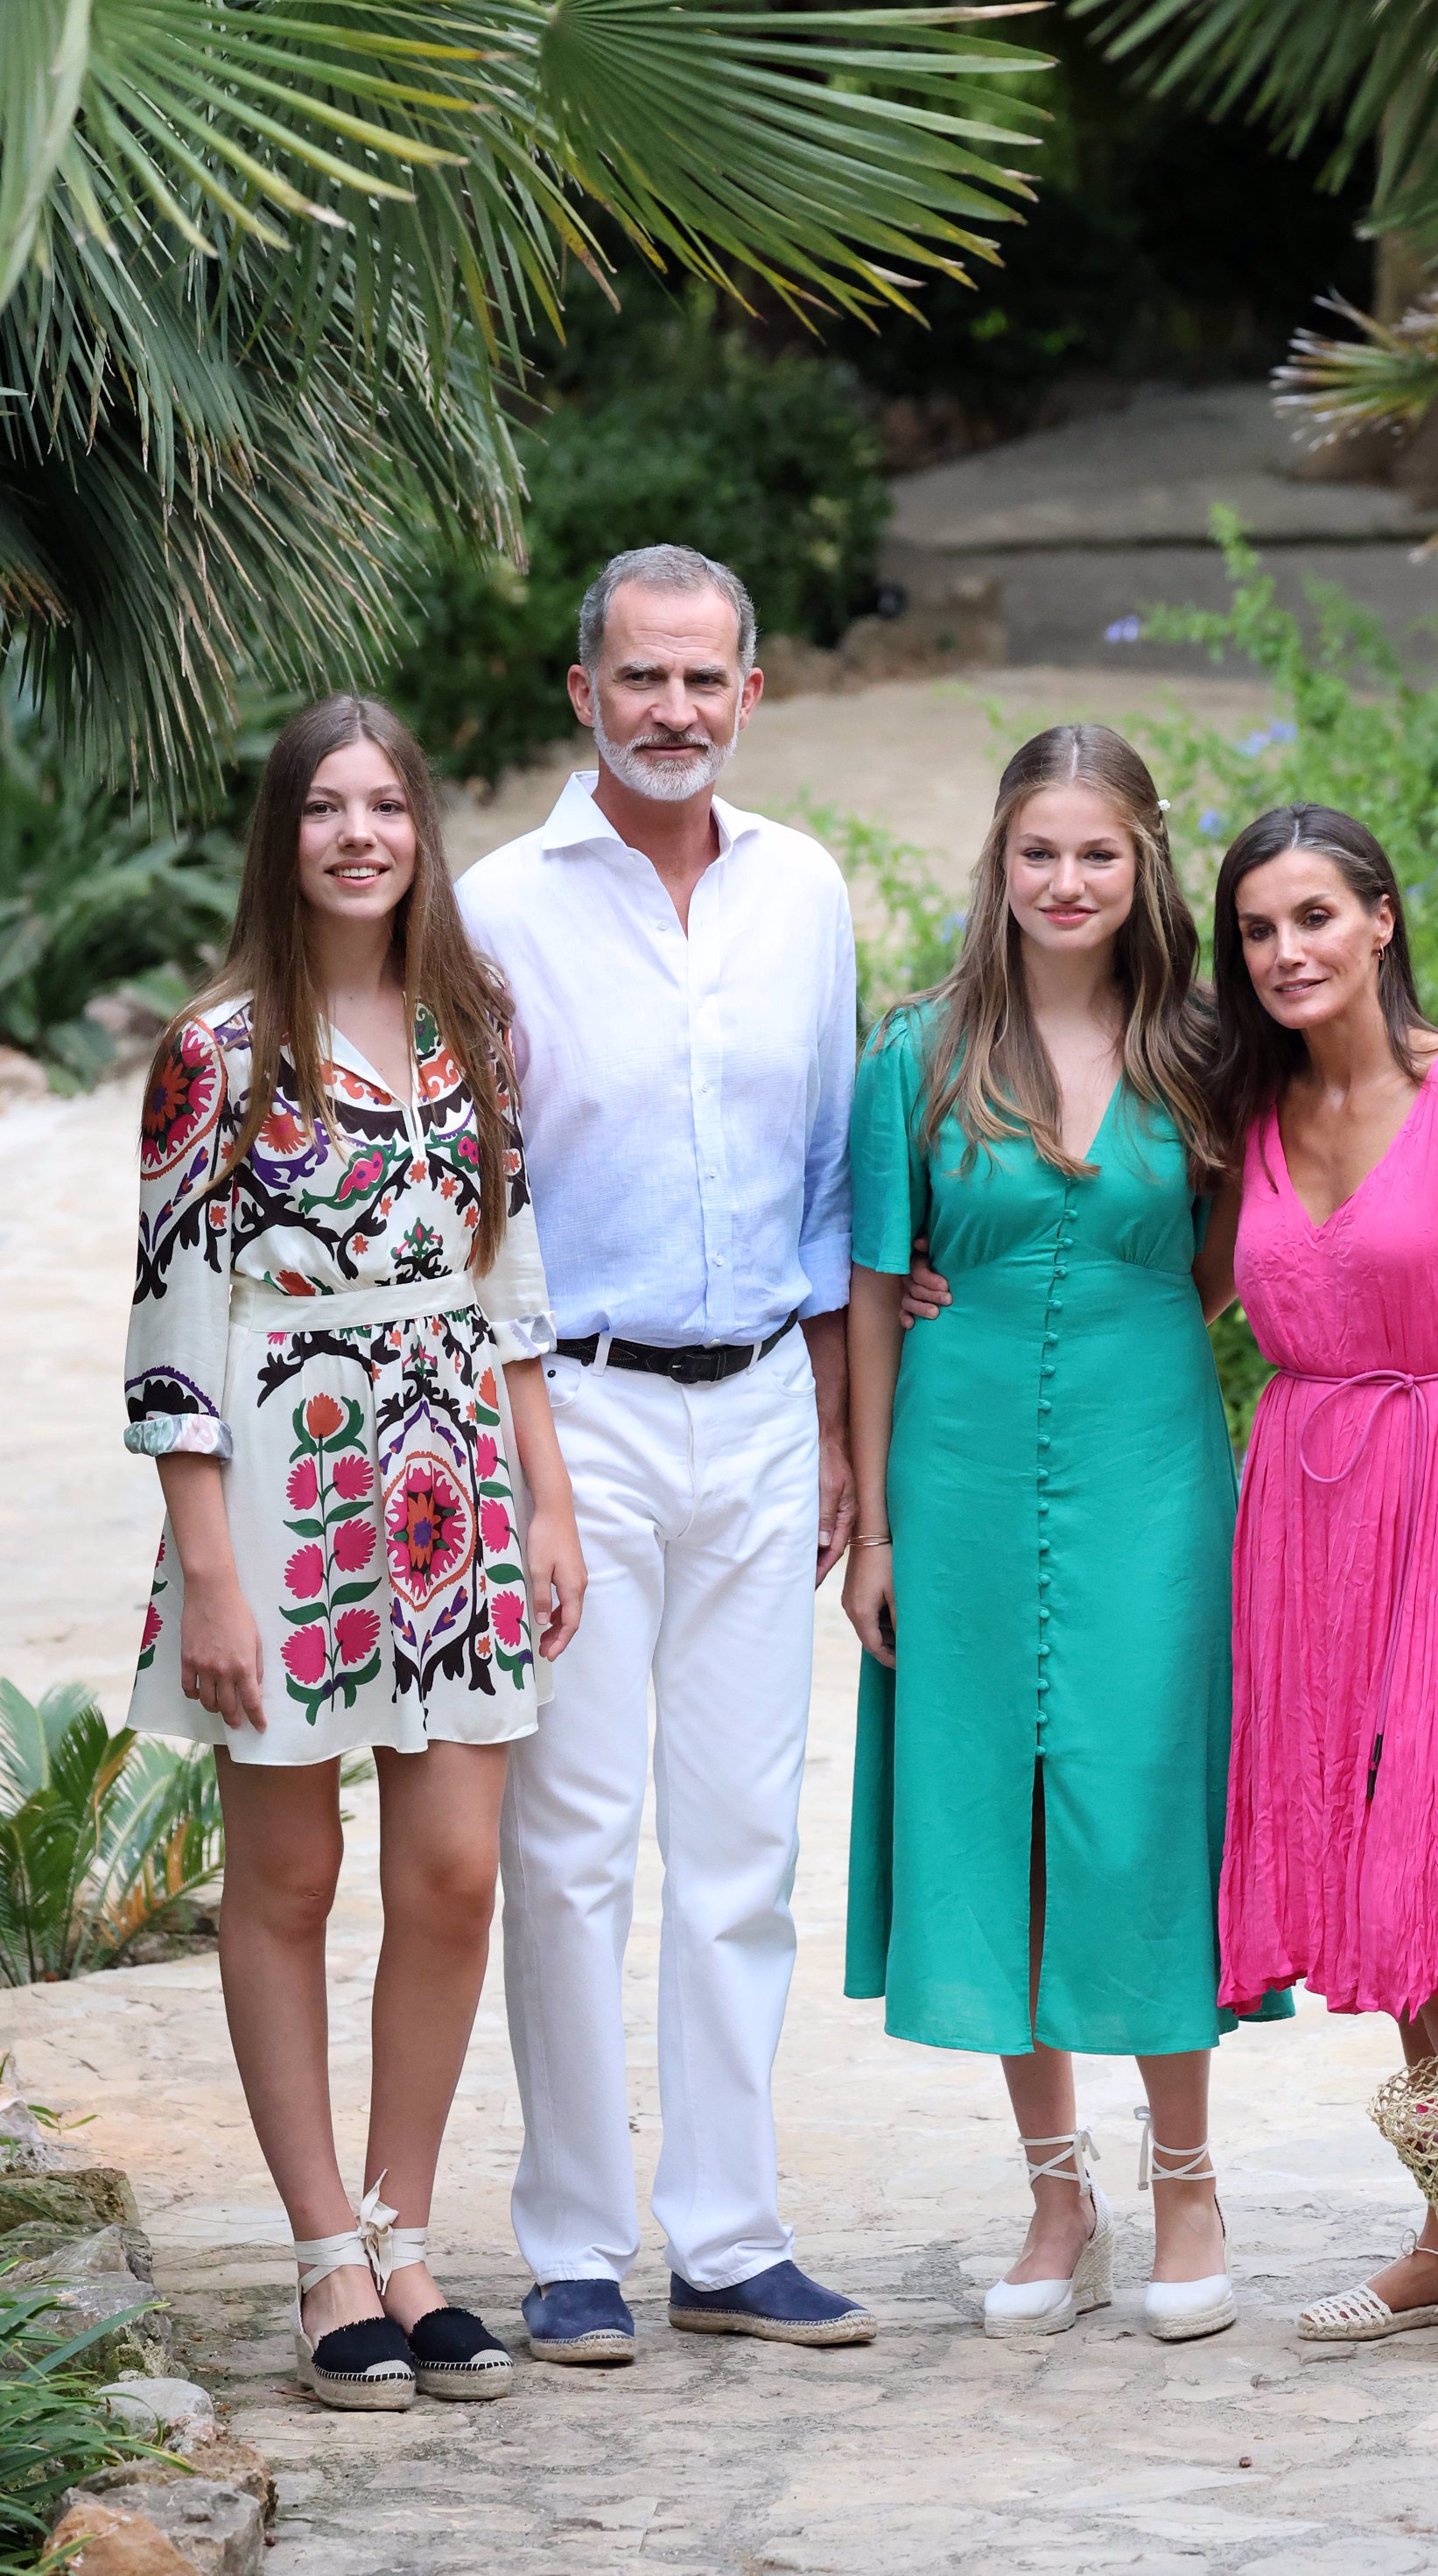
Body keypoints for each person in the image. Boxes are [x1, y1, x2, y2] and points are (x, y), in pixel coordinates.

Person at [125, 695, 587, 2410]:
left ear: (421, 831)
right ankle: (326, 2245)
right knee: (290, 1875)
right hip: (279, 1484)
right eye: (324, 806)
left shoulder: (475, 1025)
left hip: (453, 1465)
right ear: (284, 834)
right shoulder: (219, 1052)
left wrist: (546, 1491)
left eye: (386, 803)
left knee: (455, 1863)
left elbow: (512, 1270)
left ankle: (405, 2224)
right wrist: (211, 1570)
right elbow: (169, 1331)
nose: (358, 833)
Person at [457, 543, 873, 2358]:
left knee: (739, 1847)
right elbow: (484, 1206)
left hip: (770, 1400)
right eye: (643, 677)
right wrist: (517, 1466)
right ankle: (569, 2240)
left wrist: (848, 1431)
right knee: (571, 1841)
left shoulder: (809, 891)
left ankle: (726, 2230)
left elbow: (839, 1180)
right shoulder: (493, 907)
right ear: (584, 691)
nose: (676, 710)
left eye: (708, 679)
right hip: (583, 1409)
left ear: (753, 692)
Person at [844, 725, 1289, 2347]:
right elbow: (875, 1293)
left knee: (1137, 1801)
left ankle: (1187, 2179)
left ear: (1144, 863)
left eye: (1097, 852)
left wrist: (1108, 1311)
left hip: (1151, 1465)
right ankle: (1055, 2192)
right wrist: (877, 1525)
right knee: (995, 1809)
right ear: (1000, 861)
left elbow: (1238, 1256)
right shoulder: (917, 1053)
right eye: (1039, 851)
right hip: (955, 1475)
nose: (1066, 880)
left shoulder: (1209, 1055)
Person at [1200, 801, 1438, 2353]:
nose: (1286, 952)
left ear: (1379, 919)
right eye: (1256, 930)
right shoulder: (1248, 1120)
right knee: (1385, 1871)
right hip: (1305, 1523)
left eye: (1312, 918)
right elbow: (1184, 1288)